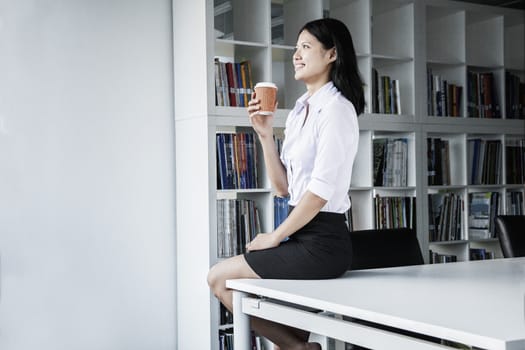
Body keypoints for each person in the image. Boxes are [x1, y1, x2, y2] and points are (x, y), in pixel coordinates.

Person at [207, 17, 364, 350]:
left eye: (306, 47)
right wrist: (265, 134)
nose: (296, 54)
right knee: (283, 331)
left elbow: (320, 193)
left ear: (332, 54)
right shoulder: (298, 112)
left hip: (324, 242)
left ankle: (299, 348)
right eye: (295, 48)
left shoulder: (337, 110)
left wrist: (274, 237)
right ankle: (296, 346)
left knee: (219, 278)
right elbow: (284, 189)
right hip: (300, 233)